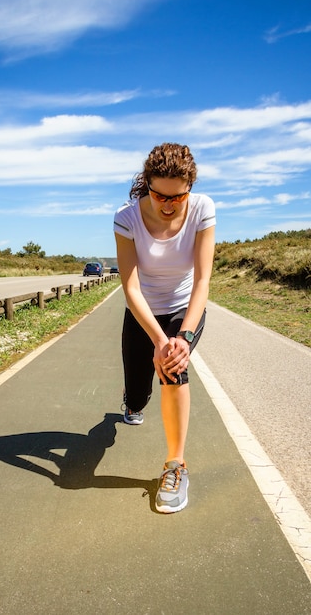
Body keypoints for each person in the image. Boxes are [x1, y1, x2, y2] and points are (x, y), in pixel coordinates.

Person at [114, 142, 216, 513]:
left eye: (178, 196)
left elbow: (203, 280)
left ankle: (176, 465)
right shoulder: (126, 218)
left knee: (173, 366)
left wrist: (180, 339)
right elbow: (130, 287)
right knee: (138, 398)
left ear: (190, 187)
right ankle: (132, 397)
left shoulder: (203, 208)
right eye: (159, 196)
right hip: (143, 309)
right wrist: (156, 338)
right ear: (147, 184)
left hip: (183, 308)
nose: (169, 204)